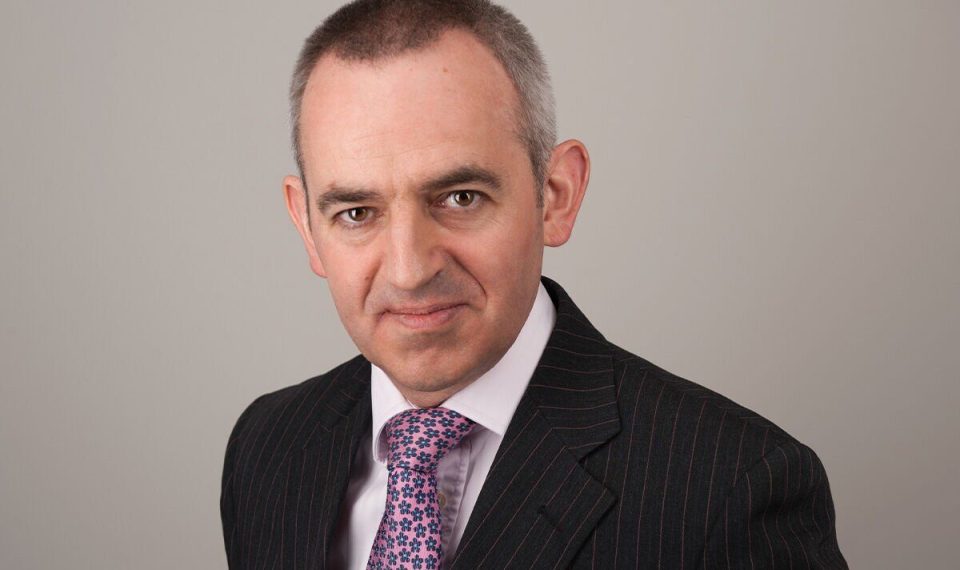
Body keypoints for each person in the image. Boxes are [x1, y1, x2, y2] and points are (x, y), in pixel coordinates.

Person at [220, 1, 847, 568]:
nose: (409, 270)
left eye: (460, 197)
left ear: (556, 195)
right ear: (307, 227)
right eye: (356, 213)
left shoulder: (730, 488)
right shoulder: (268, 447)